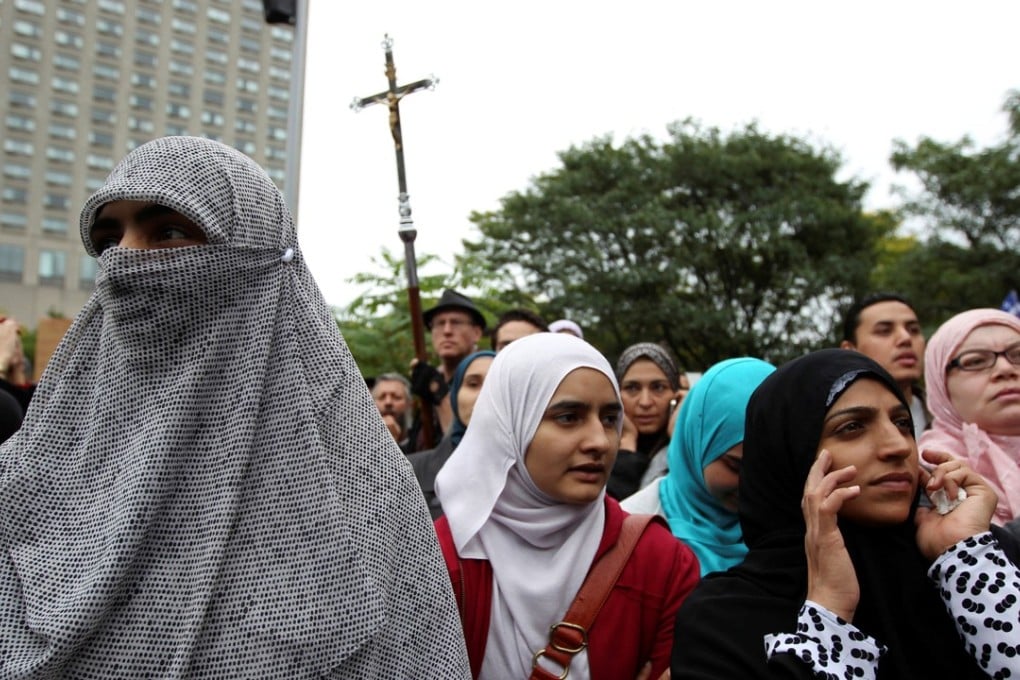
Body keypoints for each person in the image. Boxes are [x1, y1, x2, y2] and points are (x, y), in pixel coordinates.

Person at [0, 137, 469, 677]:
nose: (123, 260)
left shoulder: (361, 494)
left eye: (169, 233)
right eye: (108, 240)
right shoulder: (32, 472)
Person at [672, 349, 1020, 679]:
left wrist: (969, 560)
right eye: (852, 427)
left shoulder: (977, 563)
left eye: (901, 422)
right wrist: (829, 615)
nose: (898, 445)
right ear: (791, 454)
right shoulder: (724, 617)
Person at [434, 333, 699, 679]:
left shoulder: (662, 563)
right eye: (569, 417)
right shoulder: (439, 560)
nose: (600, 442)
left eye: (608, 419)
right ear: (511, 425)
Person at [622, 357, 775, 575]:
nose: (753, 483)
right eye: (735, 466)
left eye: (769, 467)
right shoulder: (630, 531)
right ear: (696, 443)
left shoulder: (805, 529)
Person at [920, 307, 1020, 524]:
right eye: (975, 361)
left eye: (1018, 355)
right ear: (941, 386)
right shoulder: (929, 475)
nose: (1005, 369)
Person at [410, 350, 495, 519]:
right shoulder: (409, 471)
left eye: (495, 384)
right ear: (456, 393)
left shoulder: (535, 475)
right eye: (473, 384)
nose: (483, 394)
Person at [840, 292, 930, 438]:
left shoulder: (956, 416)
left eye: (913, 330)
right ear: (850, 350)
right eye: (884, 331)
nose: (906, 338)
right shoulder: (828, 424)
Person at [409, 288, 486, 450]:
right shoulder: (428, 377)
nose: (447, 331)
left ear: (477, 333)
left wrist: (438, 392)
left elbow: (467, 446)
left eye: (456, 322)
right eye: (439, 323)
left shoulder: (489, 377)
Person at [607, 342, 683, 499]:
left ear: (676, 396)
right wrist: (626, 449)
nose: (645, 402)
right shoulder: (598, 447)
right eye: (632, 388)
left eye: (658, 387)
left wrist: (680, 438)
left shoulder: (693, 452)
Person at [371, 371, 413, 451]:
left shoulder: (421, 441)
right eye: (382, 397)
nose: (388, 402)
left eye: (396, 397)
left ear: (409, 404)